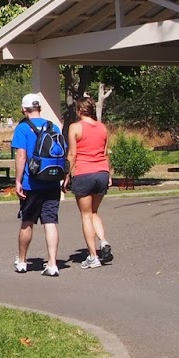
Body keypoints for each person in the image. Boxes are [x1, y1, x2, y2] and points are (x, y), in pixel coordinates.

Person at [12, 93, 67, 276]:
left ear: (24, 109)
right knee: (50, 221)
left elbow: (21, 155)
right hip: (51, 182)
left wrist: (18, 181)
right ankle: (52, 264)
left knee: (27, 221)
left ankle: (22, 261)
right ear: (39, 108)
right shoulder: (54, 127)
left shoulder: (22, 128)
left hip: (31, 183)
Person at [66, 96, 113, 267]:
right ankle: (103, 241)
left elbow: (72, 154)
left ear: (79, 110)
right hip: (101, 172)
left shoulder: (75, 127)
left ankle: (93, 257)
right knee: (94, 212)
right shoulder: (102, 128)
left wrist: (66, 175)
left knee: (86, 215)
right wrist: (109, 175)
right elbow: (105, 153)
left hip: (84, 173)